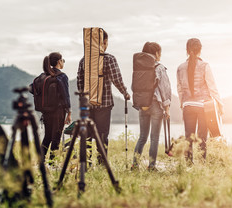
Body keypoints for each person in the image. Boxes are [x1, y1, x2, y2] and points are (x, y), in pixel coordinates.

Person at [77, 29, 130, 165]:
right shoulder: (109, 59)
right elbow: (116, 79)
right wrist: (125, 93)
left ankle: (86, 163)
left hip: (87, 104)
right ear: (104, 42)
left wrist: (84, 100)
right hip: (104, 103)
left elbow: (79, 82)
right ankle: (101, 163)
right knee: (102, 134)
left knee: (87, 134)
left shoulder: (84, 60)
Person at [176, 38, 223, 164]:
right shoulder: (204, 66)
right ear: (200, 50)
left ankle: (188, 164)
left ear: (187, 50)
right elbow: (212, 87)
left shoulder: (180, 68)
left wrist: (183, 104)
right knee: (202, 137)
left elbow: (179, 89)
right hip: (203, 106)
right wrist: (220, 104)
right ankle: (202, 163)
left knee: (188, 137)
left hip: (187, 106)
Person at [132, 42, 171, 171]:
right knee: (154, 137)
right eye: (159, 52)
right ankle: (152, 166)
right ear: (155, 53)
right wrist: (167, 107)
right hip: (155, 104)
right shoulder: (159, 68)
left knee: (142, 136)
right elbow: (165, 89)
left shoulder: (138, 68)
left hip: (143, 104)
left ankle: (135, 164)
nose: (160, 55)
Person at [40, 52, 71, 159]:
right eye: (63, 60)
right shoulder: (62, 76)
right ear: (59, 61)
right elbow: (65, 96)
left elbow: (31, 88)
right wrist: (69, 112)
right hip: (58, 112)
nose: (63, 62)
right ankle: (52, 164)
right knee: (56, 138)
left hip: (46, 112)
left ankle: (41, 162)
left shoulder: (44, 76)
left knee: (47, 137)